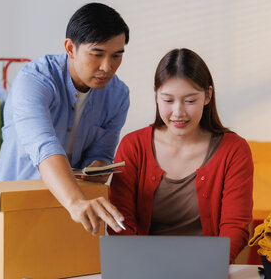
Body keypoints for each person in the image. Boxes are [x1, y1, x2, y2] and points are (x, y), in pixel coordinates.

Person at [0, 3, 129, 234]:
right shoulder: (34, 80)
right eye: (97, 54)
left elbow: (102, 154)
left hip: (72, 213)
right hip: (13, 204)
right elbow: (43, 145)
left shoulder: (118, 96)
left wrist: (100, 165)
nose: (107, 67)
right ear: (70, 48)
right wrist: (76, 202)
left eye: (116, 56)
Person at [108, 48, 253, 262]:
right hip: (144, 268)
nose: (178, 112)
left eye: (190, 100)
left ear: (208, 96)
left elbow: (235, 227)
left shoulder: (234, 150)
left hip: (208, 269)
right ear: (156, 96)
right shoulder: (133, 146)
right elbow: (121, 222)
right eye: (168, 100)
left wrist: (210, 268)